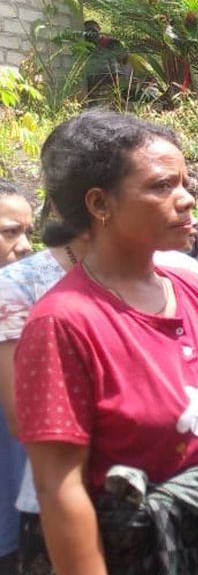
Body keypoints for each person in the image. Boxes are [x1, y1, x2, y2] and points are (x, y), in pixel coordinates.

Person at [12, 110, 198, 574]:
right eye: (162, 186)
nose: (185, 201)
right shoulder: (64, 322)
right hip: (135, 552)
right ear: (100, 204)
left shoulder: (194, 289)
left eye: (185, 184)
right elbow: (60, 487)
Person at [0, 183, 31, 575]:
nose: (25, 246)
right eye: (10, 232)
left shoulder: (25, 302)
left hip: (20, 506)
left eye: (27, 232)